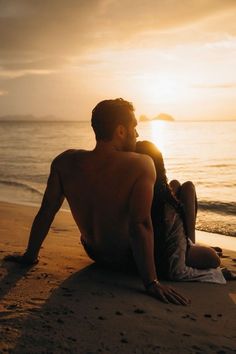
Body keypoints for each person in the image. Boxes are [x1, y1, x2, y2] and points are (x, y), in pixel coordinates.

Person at [5, 98, 190, 305]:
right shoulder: (141, 164)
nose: (137, 134)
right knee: (194, 239)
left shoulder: (63, 162)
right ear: (120, 131)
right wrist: (151, 282)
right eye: (134, 128)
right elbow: (140, 224)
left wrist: (30, 255)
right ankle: (190, 243)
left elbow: (47, 211)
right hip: (125, 259)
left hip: (96, 253)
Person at [135, 140, 226, 283]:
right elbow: (176, 268)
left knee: (178, 185)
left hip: (165, 241)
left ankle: (190, 244)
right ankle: (191, 244)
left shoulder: (135, 191)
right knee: (214, 258)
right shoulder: (165, 206)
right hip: (168, 251)